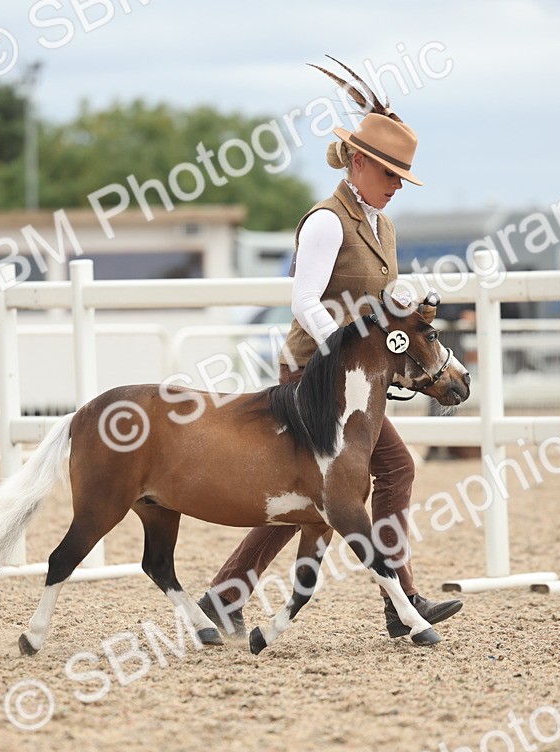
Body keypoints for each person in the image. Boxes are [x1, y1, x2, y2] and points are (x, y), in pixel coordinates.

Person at [198, 63, 463, 639]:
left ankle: (225, 597)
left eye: (402, 177)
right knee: (365, 476)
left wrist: (406, 315)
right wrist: (341, 359)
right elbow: (304, 301)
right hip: (313, 371)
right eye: (390, 173)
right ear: (359, 162)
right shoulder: (326, 222)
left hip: (358, 374)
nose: (396, 185)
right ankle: (402, 600)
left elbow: (375, 298)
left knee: (322, 491)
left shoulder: (382, 225)